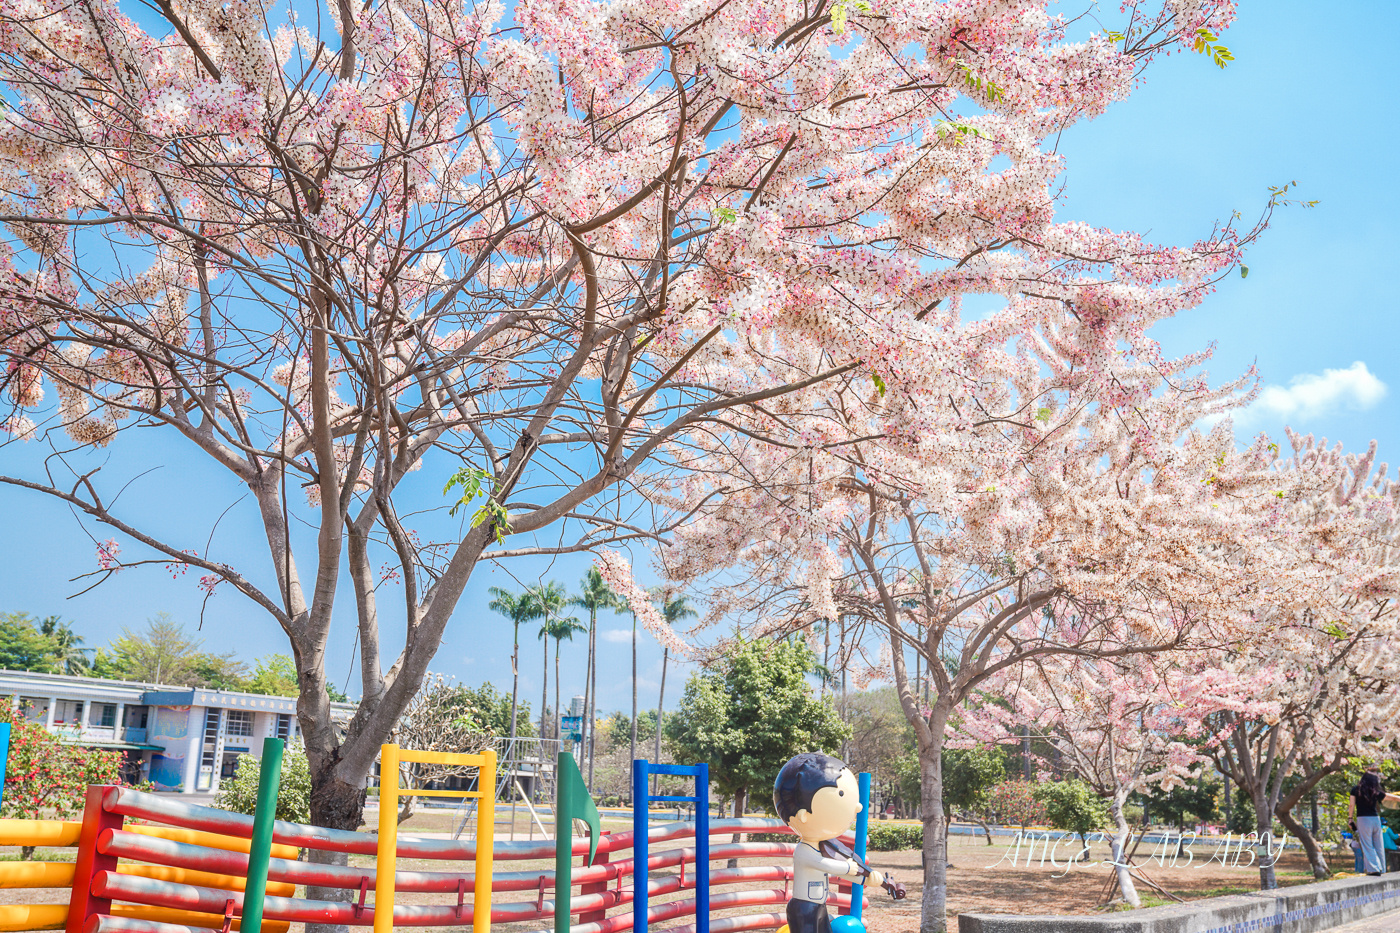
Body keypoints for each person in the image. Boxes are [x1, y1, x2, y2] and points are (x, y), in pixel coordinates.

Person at [773, 753, 883, 933]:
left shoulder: (823, 846)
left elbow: (840, 868)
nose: (858, 808)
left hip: (819, 906)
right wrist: (849, 869)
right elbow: (826, 865)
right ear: (803, 814)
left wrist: (866, 878)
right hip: (803, 909)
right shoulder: (804, 851)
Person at [1348, 767, 1400, 876]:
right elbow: (1389, 797)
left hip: (1363, 819)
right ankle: (1382, 869)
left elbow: (1352, 805)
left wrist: (1350, 818)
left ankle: (1374, 869)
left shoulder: (1355, 789)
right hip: (1376, 820)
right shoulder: (1375, 791)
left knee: (1367, 845)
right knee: (1379, 845)